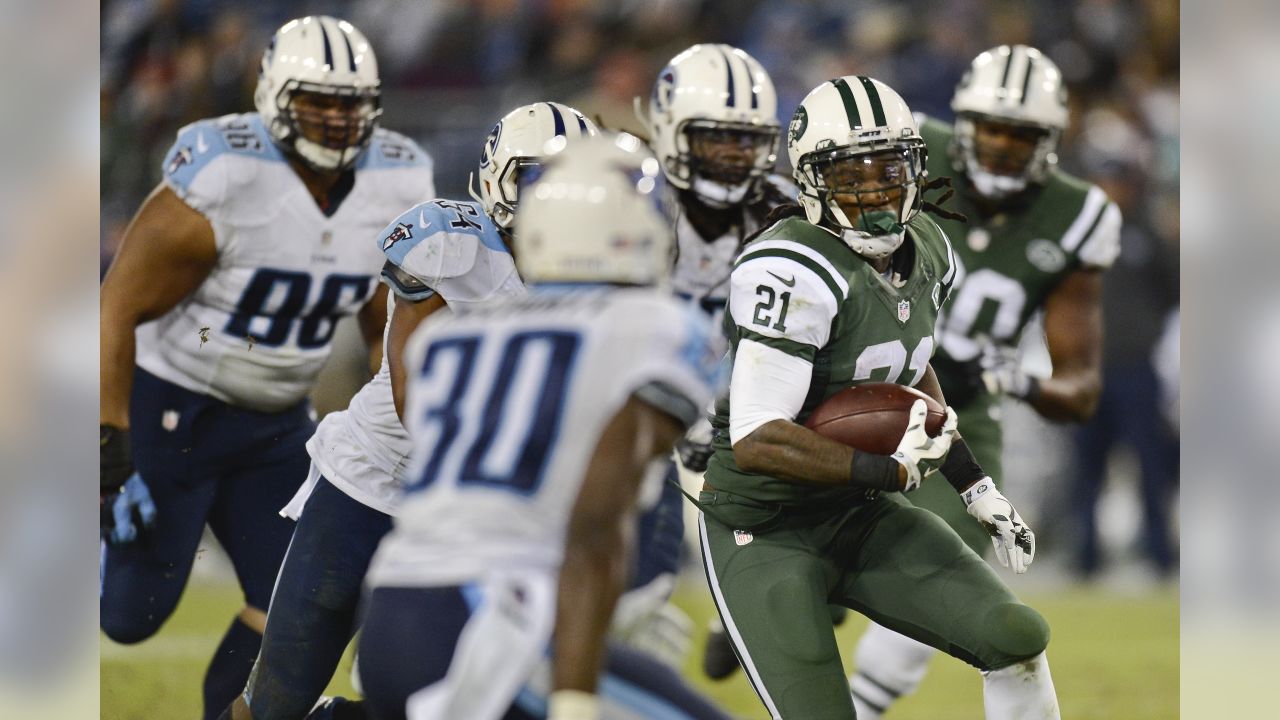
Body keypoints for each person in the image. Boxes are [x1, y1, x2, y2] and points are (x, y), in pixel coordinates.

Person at [99, 16, 435, 719]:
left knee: (287, 594)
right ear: (274, 97)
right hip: (176, 403)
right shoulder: (226, 171)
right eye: (319, 101)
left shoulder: (398, 179)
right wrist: (108, 443)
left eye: (352, 104)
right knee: (129, 617)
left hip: (280, 419)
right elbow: (114, 305)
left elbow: (388, 321)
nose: (339, 120)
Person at [220, 102, 597, 720]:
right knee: (275, 702)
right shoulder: (451, 242)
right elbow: (416, 393)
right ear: (499, 177)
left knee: (446, 698)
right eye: (538, 177)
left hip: (479, 508)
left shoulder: (604, 277)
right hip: (373, 483)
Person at [698, 75, 1060, 719]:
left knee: (1017, 638)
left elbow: (909, 370)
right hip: (765, 526)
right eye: (850, 176)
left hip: (858, 513)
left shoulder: (930, 250)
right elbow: (756, 437)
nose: (875, 192)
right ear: (811, 183)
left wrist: (973, 485)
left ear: (918, 168)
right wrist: (885, 470)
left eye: (889, 169)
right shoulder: (793, 270)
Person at [357, 133, 729, 720]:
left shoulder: (454, 336)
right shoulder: (652, 328)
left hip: (391, 609)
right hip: (495, 621)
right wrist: (575, 695)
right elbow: (595, 523)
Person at [845, 46, 1120, 719]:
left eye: (1020, 134)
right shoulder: (910, 152)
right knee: (809, 551)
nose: (1000, 146)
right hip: (856, 387)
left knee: (946, 570)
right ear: (962, 125)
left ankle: (857, 706)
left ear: (1050, 142)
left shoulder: (1078, 216)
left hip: (960, 418)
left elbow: (1080, 390)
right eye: (990, 128)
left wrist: (1007, 375)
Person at [632, 42, 798, 670]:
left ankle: (758, 603)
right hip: (633, 408)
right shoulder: (631, 198)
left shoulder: (784, 211)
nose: (733, 155)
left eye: (746, 140)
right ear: (672, 130)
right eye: (716, 139)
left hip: (735, 413)